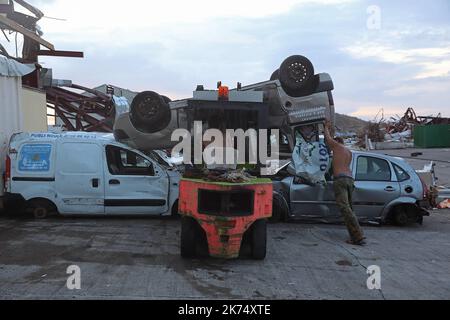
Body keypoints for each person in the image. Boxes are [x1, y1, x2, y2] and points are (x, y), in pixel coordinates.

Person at [324, 121, 366, 246]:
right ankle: (354, 236)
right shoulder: (349, 152)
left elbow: (327, 138)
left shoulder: (337, 147)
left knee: (345, 208)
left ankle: (359, 236)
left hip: (341, 180)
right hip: (349, 180)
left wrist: (326, 127)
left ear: (337, 142)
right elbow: (338, 166)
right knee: (349, 210)